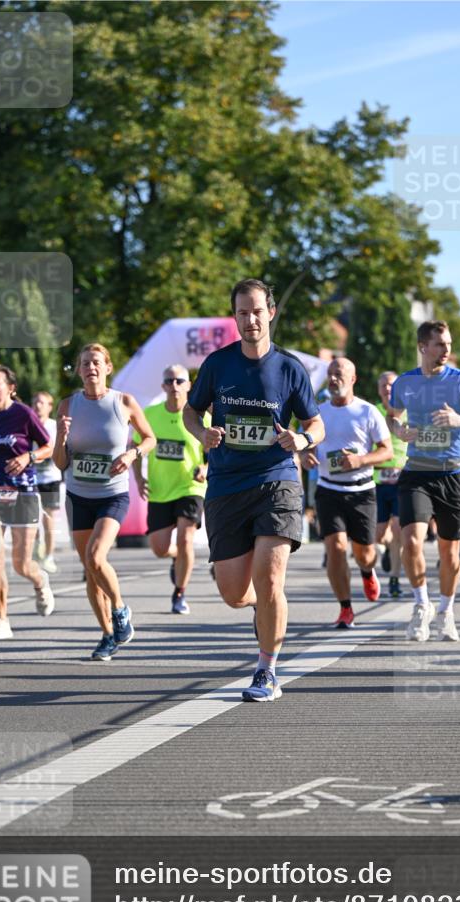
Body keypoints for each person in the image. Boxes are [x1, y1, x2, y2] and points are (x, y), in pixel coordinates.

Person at [184, 278, 325, 702]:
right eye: (242, 313)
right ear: (235, 317)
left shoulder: (290, 368)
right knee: (233, 594)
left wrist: (302, 439)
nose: (250, 320)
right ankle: (263, 610)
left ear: (271, 313)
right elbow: (192, 411)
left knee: (270, 579)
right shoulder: (218, 364)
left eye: (257, 311)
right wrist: (203, 434)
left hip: (276, 480)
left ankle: (267, 670)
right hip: (226, 484)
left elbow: (316, 423)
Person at [390, 321, 460, 642]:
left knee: (450, 553)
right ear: (423, 347)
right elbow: (393, 416)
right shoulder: (404, 382)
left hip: (453, 473)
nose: (446, 349)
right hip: (417, 472)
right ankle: (421, 605)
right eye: (439, 344)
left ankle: (446, 611)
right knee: (411, 542)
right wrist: (398, 430)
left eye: (448, 343)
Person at [54, 343, 156, 660]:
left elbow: (150, 438)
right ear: (79, 370)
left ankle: (120, 609)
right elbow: (60, 463)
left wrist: (132, 453)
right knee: (90, 568)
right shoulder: (68, 405)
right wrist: (61, 436)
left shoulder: (123, 402)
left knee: (96, 557)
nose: (91, 368)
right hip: (78, 495)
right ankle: (108, 634)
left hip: (112, 494)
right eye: (85, 363)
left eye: (96, 362)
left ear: (108, 367)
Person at [300, 358, 392, 628]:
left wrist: (360, 460)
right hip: (329, 490)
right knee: (336, 547)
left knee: (364, 553)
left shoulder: (367, 412)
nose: (333, 378)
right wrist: (305, 456)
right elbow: (306, 445)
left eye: (339, 374)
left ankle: (367, 571)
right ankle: (345, 608)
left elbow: (386, 450)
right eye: (330, 374)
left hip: (362, 491)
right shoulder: (318, 413)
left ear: (353, 379)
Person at [0, 365, 56, 639]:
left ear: (11, 388)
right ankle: (2, 620)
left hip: (23, 492)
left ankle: (39, 580)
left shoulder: (23, 414)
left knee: (21, 564)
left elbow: (49, 447)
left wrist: (29, 456)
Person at [133, 364, 208, 615]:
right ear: (163, 386)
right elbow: (135, 446)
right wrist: (139, 478)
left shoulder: (201, 417)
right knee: (160, 549)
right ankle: (178, 557)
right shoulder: (150, 414)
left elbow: (215, 452)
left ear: (188, 385)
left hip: (191, 487)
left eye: (179, 381)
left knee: (186, 539)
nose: (174, 385)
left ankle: (179, 593)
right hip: (160, 489)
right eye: (169, 381)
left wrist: (206, 468)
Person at [373, 370, 408, 598]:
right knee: (378, 535)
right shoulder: (373, 411)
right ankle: (386, 548)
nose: (388, 388)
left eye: (392, 385)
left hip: (402, 479)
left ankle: (394, 579)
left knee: (397, 529)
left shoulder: (409, 412)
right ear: (379, 390)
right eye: (384, 385)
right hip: (377, 479)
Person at [31, 391, 62, 574]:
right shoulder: (27, 424)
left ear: (50, 407)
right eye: (35, 402)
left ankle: (49, 556)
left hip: (50, 478)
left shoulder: (54, 426)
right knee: (32, 519)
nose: (38, 405)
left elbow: (59, 449)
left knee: (48, 519)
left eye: (42, 402)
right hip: (31, 479)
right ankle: (37, 549)